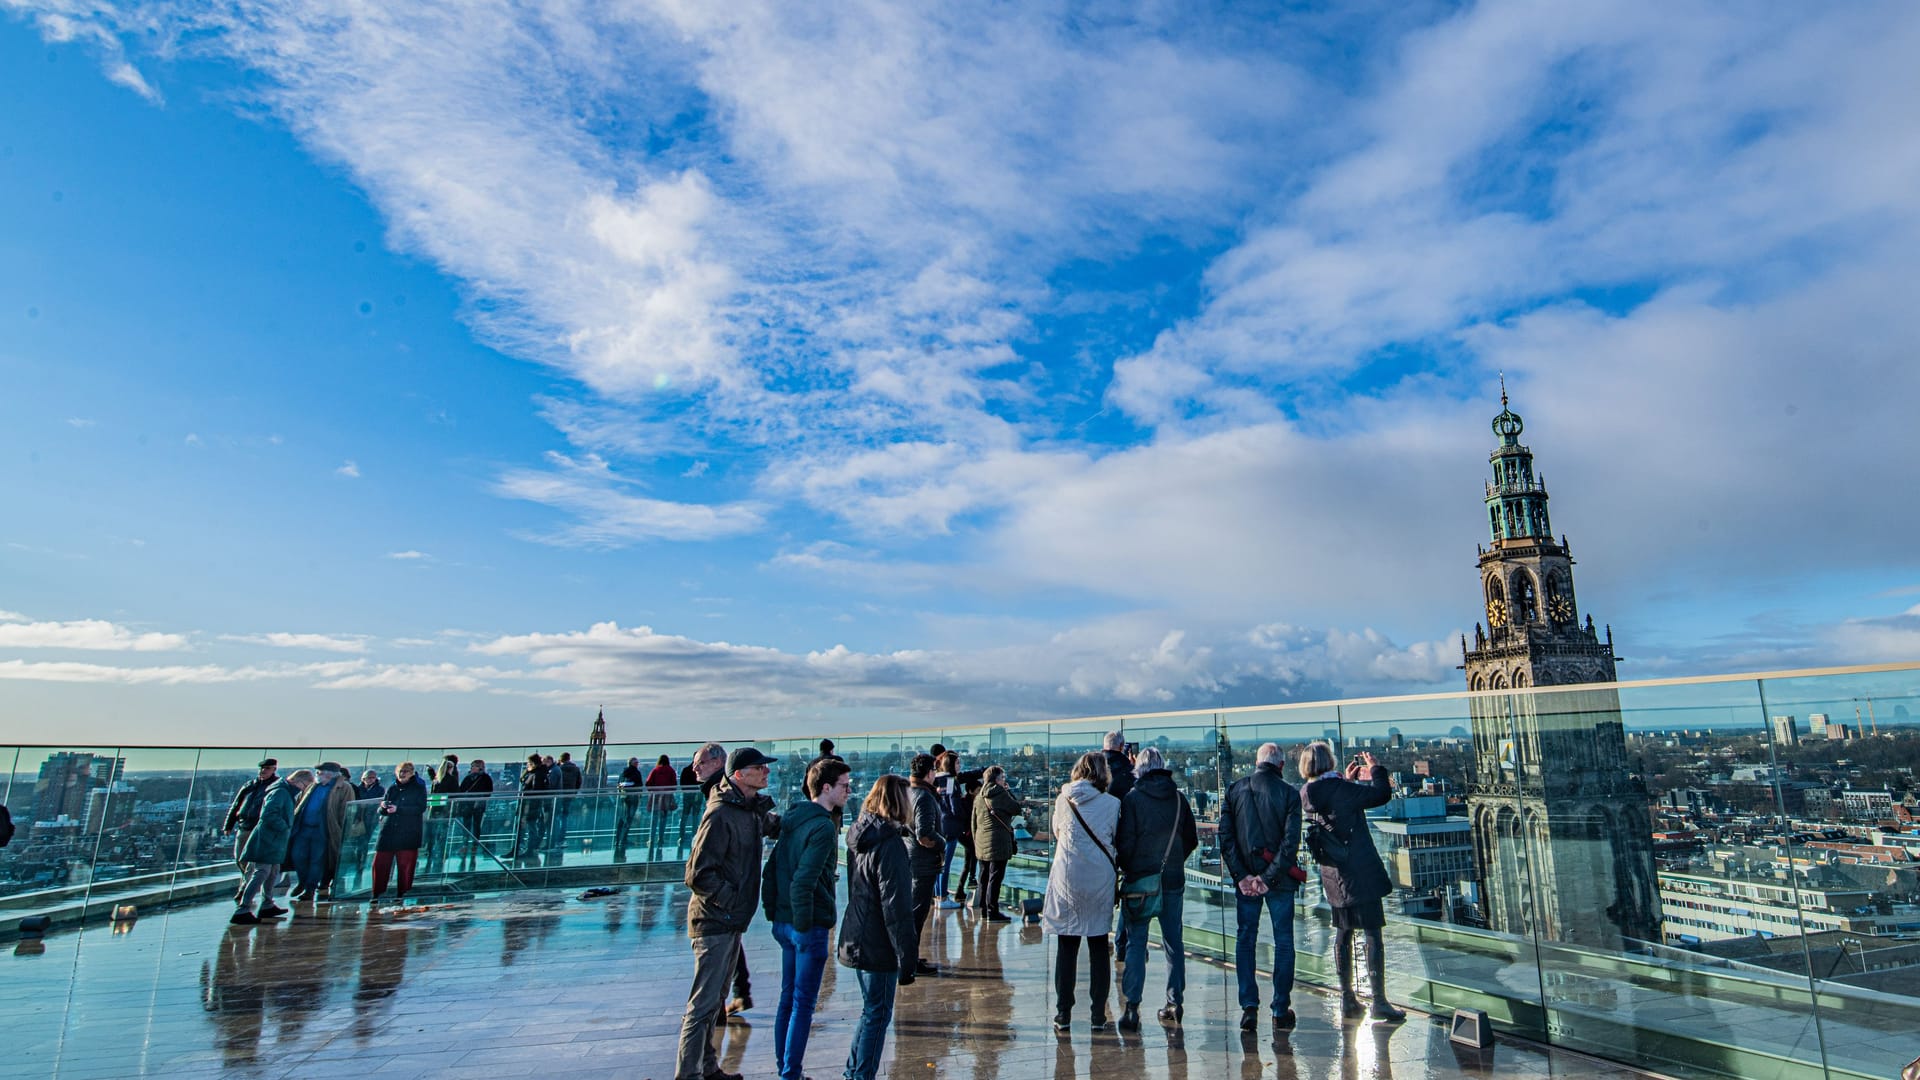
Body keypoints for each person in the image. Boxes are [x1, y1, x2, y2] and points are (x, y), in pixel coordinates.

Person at [674, 746, 779, 1080]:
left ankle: (707, 1068)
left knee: (714, 1000)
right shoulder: (721, 814)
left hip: (729, 920)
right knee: (703, 1005)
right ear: (738, 775)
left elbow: (776, 826)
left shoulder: (746, 808)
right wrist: (730, 900)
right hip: (713, 920)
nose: (766, 772)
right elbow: (697, 873)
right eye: (759, 768)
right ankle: (688, 1074)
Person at [1300, 743, 1404, 1022]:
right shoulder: (1340, 791)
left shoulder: (1307, 793)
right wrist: (1375, 768)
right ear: (1329, 761)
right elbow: (1381, 794)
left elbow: (1336, 806)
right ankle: (1379, 1001)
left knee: (1343, 933)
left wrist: (1347, 782)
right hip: (1359, 870)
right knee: (1372, 934)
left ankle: (1347, 997)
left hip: (1333, 875)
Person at [763, 757, 852, 1080]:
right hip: (807, 925)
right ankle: (790, 1073)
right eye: (844, 786)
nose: (849, 791)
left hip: (785, 922)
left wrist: (774, 913)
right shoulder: (823, 828)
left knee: (788, 999)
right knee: (802, 1004)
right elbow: (805, 880)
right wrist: (807, 926)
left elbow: (772, 870)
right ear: (826, 788)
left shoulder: (793, 819)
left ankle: (784, 1068)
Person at [1218, 741, 1305, 1032]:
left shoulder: (1234, 790)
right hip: (1278, 880)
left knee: (1245, 939)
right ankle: (1280, 1008)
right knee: (1283, 942)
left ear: (1257, 763)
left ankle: (1249, 1007)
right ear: (1280, 765)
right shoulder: (1290, 794)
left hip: (1246, 881)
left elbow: (1225, 838)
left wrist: (1242, 876)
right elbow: (1290, 843)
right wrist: (1267, 878)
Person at [838, 774, 918, 1080]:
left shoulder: (859, 835)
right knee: (878, 1014)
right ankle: (861, 1075)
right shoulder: (891, 846)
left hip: (857, 933)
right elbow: (897, 908)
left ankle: (853, 1073)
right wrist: (907, 957)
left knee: (870, 1011)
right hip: (878, 942)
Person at [1113, 747, 1199, 1029]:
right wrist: (1173, 861)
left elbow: (1124, 844)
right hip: (1172, 879)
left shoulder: (1132, 799)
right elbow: (1191, 839)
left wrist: (1133, 868)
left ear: (1138, 767)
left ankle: (1132, 1008)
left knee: (1137, 943)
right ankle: (1175, 1003)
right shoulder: (1178, 798)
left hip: (1140, 881)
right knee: (1173, 943)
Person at [1042, 752, 1121, 1032]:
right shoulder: (1113, 804)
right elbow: (1114, 838)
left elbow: (1056, 832)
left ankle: (1063, 1013)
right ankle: (1098, 1014)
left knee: (1067, 945)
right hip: (1099, 878)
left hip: (1068, 878)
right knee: (1099, 946)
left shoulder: (1063, 800)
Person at [232, 768, 308, 924]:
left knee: (273, 871)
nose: (305, 789)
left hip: (273, 839)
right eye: (305, 785)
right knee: (262, 872)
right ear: (298, 781)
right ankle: (243, 908)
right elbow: (268, 814)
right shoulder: (281, 793)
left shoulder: (283, 791)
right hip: (269, 839)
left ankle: (267, 904)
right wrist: (285, 828)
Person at [905, 753, 945, 975]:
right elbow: (925, 834)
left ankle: (908, 956)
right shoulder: (924, 797)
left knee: (913, 911)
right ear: (930, 773)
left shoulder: (907, 792)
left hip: (910, 858)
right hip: (923, 862)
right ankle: (909, 960)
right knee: (917, 913)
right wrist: (943, 843)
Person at [289, 762, 350, 901]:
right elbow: (299, 803)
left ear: (330, 774)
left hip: (324, 830)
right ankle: (302, 881)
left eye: (320, 772)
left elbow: (345, 811)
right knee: (297, 856)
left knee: (317, 860)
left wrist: (341, 831)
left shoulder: (344, 788)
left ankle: (310, 889)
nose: (317, 775)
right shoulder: (312, 786)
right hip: (303, 828)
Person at [372, 761, 429, 904]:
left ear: (411, 773)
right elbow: (382, 809)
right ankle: (377, 893)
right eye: (400, 771)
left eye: (405, 771)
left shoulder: (418, 788)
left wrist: (399, 809)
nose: (402, 774)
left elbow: (421, 808)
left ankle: (402, 893)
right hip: (389, 830)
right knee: (380, 863)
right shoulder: (392, 788)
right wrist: (383, 807)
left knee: (405, 865)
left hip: (408, 831)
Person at [971, 766, 1019, 922]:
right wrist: (1008, 791)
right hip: (998, 842)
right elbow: (1016, 808)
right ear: (997, 780)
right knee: (995, 878)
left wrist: (976, 841)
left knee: (984, 876)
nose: (1004, 780)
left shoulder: (979, 797)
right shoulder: (1000, 794)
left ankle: (984, 910)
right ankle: (993, 911)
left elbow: (973, 822)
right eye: (1003, 778)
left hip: (981, 842)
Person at [223, 759, 279, 882]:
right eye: (261, 768)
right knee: (240, 859)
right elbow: (236, 805)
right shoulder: (250, 785)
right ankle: (248, 883)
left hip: (260, 828)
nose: (263, 771)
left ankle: (247, 887)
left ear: (274, 769)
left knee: (252, 861)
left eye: (267, 768)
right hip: (244, 826)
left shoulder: (276, 786)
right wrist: (228, 825)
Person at [510, 752, 550, 860]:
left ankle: (529, 850)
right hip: (528, 804)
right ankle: (519, 849)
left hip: (530, 805)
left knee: (530, 827)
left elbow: (535, 791)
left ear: (533, 763)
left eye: (528, 763)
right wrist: (526, 771)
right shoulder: (534, 773)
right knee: (525, 827)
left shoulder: (537, 774)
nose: (527, 765)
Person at [454, 759, 493, 868]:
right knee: (466, 826)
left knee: (476, 826)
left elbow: (488, 792)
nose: (471, 768)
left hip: (478, 807)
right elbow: (461, 791)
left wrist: (479, 800)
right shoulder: (468, 777)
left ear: (480, 767)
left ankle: (474, 846)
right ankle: (465, 845)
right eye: (471, 766)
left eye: (473, 766)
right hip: (467, 806)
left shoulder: (485, 778)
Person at [429, 754, 462, 868]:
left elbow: (445, 794)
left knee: (439, 835)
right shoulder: (443, 779)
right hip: (440, 809)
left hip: (442, 810)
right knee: (437, 835)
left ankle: (437, 857)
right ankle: (436, 856)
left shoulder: (446, 779)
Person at [645, 754, 678, 858]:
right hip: (666, 798)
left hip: (655, 797)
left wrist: (654, 791)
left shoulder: (655, 770)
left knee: (654, 819)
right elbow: (674, 785)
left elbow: (648, 783)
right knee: (663, 819)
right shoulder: (671, 770)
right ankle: (661, 838)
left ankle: (652, 838)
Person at [551, 751, 583, 851]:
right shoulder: (576, 769)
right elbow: (579, 782)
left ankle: (554, 838)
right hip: (569, 796)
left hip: (558, 796)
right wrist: (573, 793)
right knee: (564, 817)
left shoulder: (558, 769)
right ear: (569, 759)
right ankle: (561, 839)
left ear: (561, 759)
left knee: (555, 817)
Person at [615, 757, 645, 861]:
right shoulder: (636, 773)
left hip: (623, 797)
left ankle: (618, 839)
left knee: (623, 818)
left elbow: (618, 785)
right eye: (636, 762)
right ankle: (623, 839)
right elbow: (639, 785)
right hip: (633, 798)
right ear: (632, 763)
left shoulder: (623, 773)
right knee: (629, 819)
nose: (637, 764)